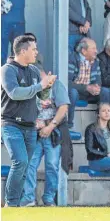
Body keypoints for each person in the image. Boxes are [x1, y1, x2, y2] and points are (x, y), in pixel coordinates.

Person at [1, 35, 55, 207]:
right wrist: (40, 86)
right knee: (21, 162)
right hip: (11, 124)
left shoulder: (32, 70)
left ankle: (15, 205)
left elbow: (41, 96)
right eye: (33, 49)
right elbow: (15, 93)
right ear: (23, 51)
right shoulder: (7, 69)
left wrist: (48, 87)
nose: (36, 52)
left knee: (24, 167)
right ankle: (11, 203)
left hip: (30, 126)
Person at [21, 65, 70, 207]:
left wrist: (50, 126)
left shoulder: (56, 85)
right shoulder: (31, 86)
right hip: (34, 133)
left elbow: (63, 108)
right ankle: (29, 197)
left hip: (53, 133)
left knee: (52, 165)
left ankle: (49, 197)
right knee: (29, 164)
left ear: (42, 73)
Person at [68, 38, 110, 129]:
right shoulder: (72, 59)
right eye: (93, 49)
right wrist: (86, 88)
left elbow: (98, 80)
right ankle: (69, 125)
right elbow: (67, 83)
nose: (96, 51)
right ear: (84, 51)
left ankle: (105, 124)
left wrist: (96, 87)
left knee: (107, 91)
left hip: (90, 93)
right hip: (78, 91)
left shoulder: (95, 61)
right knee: (72, 92)